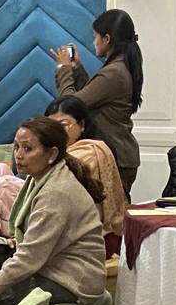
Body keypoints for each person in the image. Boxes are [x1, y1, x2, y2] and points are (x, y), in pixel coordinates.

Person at [0, 116, 106, 305]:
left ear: (52, 154)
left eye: (27, 149)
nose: (18, 155)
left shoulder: (56, 192)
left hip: (70, 281)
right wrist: (18, 239)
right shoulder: (40, 178)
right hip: (49, 264)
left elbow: (29, 259)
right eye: (17, 147)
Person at [51, 8, 143, 198]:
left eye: (95, 37)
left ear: (107, 39)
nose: (94, 42)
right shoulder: (119, 67)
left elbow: (69, 106)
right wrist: (77, 69)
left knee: (111, 210)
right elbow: (93, 97)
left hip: (115, 155)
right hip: (119, 153)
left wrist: (63, 69)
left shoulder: (114, 72)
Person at [44, 96, 126, 255]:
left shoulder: (88, 153)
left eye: (63, 125)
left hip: (92, 238)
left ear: (82, 125)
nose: (56, 131)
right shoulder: (56, 153)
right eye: (51, 126)